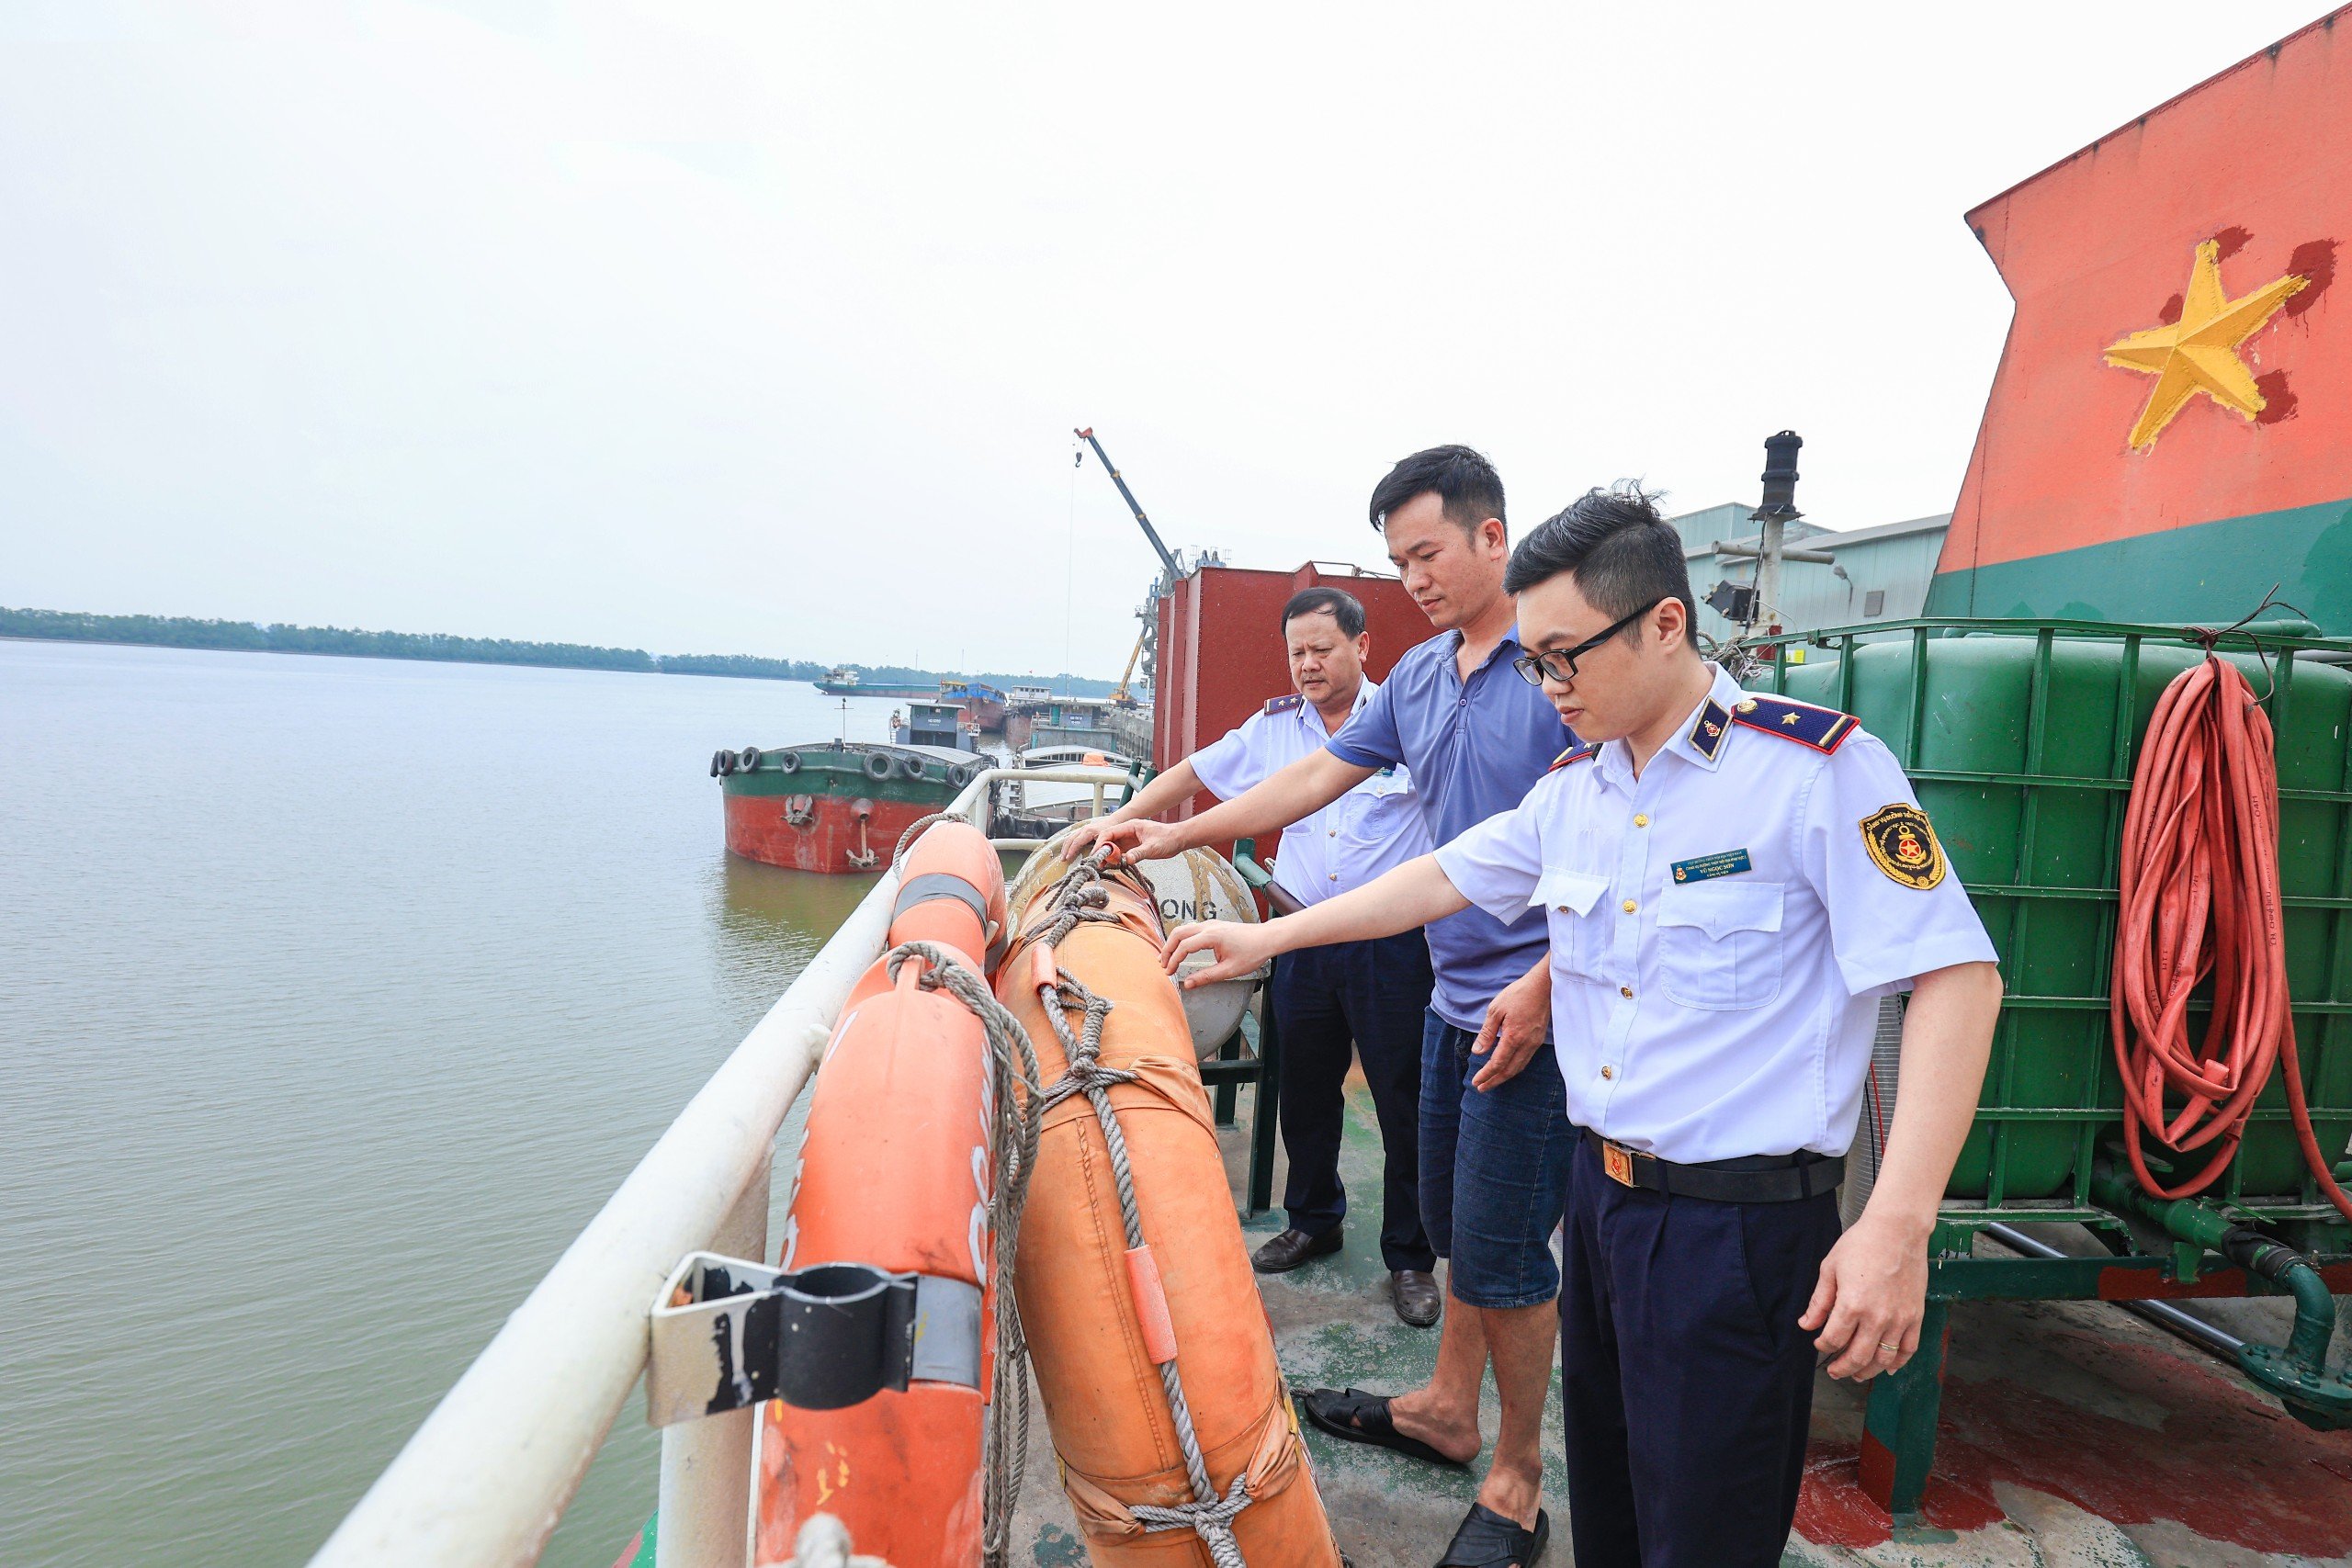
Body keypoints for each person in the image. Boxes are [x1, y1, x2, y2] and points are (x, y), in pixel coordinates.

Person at [1163, 483, 2006, 1568]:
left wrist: (1896, 1227)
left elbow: (1957, 978)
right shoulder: (1580, 788)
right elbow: (1440, 877)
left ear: (1664, 624)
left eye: (1565, 657)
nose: (1549, 685)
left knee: (1699, 1532)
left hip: (1734, 1235)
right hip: (1599, 1205)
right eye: (1535, 661)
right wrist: (1265, 944)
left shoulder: (1814, 772)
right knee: (1610, 1507)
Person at [1069, 446, 1577, 1565]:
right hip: (1452, 987)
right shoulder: (1425, 680)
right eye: (1401, 562)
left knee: (1503, 1256)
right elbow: (1306, 780)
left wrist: (1548, 982)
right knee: (1450, 1228)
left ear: (1493, 537)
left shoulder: (1559, 671)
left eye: (1429, 553)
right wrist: (1174, 833)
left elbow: (1625, 829)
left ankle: (1519, 1479)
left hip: (1535, 1009)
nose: (1418, 578)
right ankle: (1447, 1408)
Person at [1077, 585, 1441, 1323]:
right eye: (1296, 652)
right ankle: (1314, 1218)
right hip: (1301, 932)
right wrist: (1119, 818)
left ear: (1362, 646)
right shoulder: (1275, 729)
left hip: (1389, 941)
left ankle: (1410, 1257)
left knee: (1405, 1102)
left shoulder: (1405, 721)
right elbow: (1195, 773)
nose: (1307, 665)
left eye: (1322, 649)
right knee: (1304, 1087)